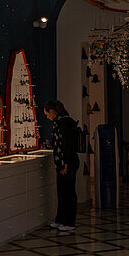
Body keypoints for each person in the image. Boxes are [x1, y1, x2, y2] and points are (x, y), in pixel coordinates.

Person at [44, 99, 79, 233]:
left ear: (53, 111)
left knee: (68, 192)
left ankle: (69, 222)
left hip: (67, 163)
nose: (47, 116)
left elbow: (67, 145)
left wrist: (65, 164)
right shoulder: (60, 123)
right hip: (62, 164)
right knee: (62, 191)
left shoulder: (65, 123)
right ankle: (60, 219)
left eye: (47, 113)